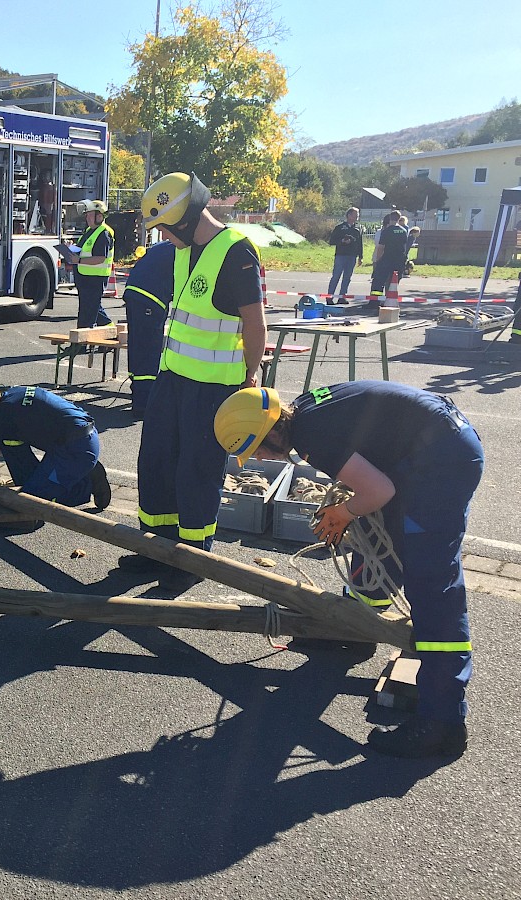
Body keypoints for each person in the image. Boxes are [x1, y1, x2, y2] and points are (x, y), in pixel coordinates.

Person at [214, 382, 483, 758]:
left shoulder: (314, 433)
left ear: (273, 430)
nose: (257, 459)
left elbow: (378, 491)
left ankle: (443, 722)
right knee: (374, 537)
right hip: (421, 450)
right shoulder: (301, 412)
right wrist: (355, 507)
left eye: (255, 447)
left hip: (442, 462)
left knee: (432, 582)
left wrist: (343, 512)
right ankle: (353, 628)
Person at [133, 171, 267, 561]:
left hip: (214, 389)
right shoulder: (182, 250)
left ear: (185, 220)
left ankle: (192, 557)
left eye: (164, 228)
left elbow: (255, 324)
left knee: (197, 472)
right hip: (173, 378)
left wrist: (250, 377)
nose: (162, 237)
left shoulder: (237, 252)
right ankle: (154, 548)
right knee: (156, 461)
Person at [0, 376, 111, 511]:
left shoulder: (1, 420)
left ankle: (88, 481)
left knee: (33, 502)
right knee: (9, 444)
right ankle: (41, 479)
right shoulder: (12, 396)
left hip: (76, 450)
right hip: (77, 440)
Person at [121, 240, 174, 418]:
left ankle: (138, 396)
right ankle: (144, 404)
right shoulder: (188, 249)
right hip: (151, 297)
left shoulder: (166, 246)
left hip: (134, 292)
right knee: (149, 350)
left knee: (137, 347)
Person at [67, 199, 114, 328]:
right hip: (85, 277)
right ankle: (109, 330)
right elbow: (82, 249)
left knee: (87, 315)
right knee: (92, 309)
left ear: (99, 216)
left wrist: (79, 261)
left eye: (90, 214)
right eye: (87, 214)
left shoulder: (103, 233)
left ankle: (81, 345)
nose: (87, 217)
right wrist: (70, 249)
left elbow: (100, 258)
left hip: (95, 279)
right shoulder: (90, 231)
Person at [370, 210, 408, 308]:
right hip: (399, 260)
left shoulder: (386, 231)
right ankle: (389, 301)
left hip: (387, 259)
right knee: (393, 283)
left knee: (378, 281)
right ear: (399, 219)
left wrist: (377, 260)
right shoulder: (403, 231)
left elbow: (381, 248)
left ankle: (374, 302)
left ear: (390, 218)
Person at [326, 207, 363, 302]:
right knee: (336, 276)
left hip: (352, 256)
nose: (357, 217)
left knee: (347, 277)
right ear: (349, 215)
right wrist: (342, 241)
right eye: (355, 215)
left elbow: (360, 243)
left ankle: (342, 296)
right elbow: (332, 241)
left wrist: (360, 256)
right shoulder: (340, 228)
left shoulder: (358, 228)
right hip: (341, 255)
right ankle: (330, 297)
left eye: (357, 215)